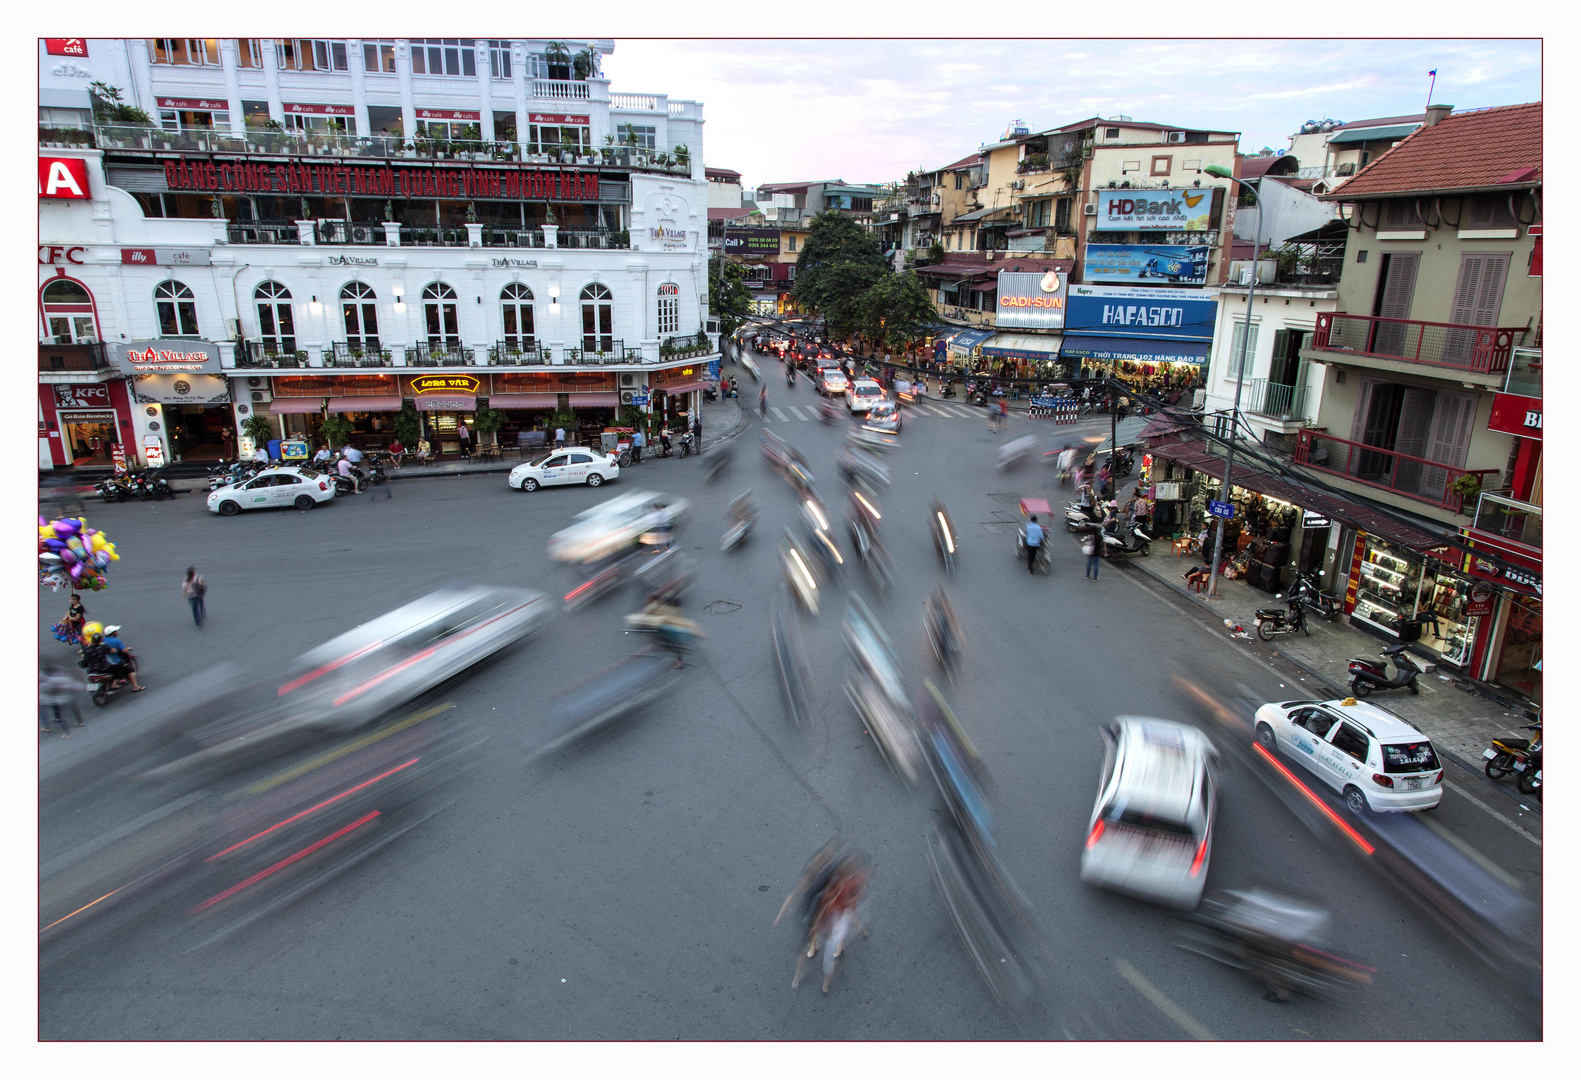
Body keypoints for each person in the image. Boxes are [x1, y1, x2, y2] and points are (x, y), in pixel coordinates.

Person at [39, 657, 82, 737]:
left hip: (59, 699)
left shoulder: (49, 681)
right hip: (67, 697)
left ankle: (67, 733)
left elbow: (48, 688)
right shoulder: (61, 677)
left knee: (62, 716)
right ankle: (80, 722)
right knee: (71, 709)